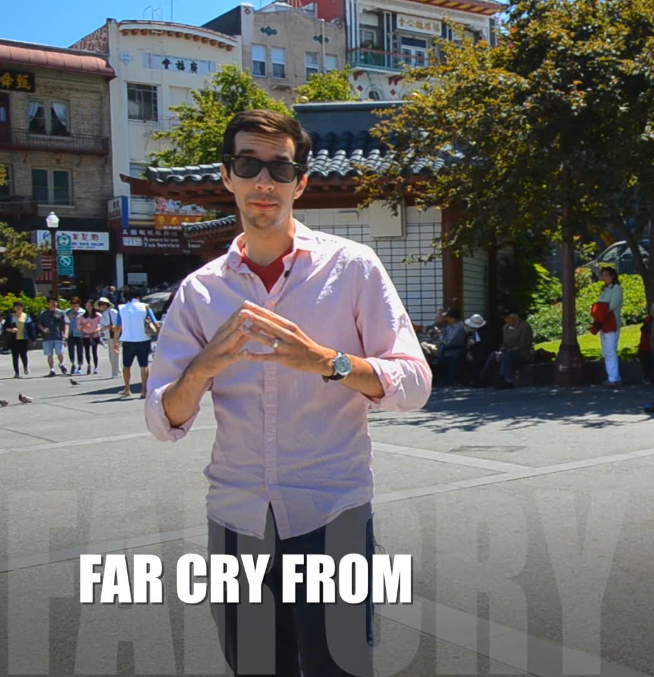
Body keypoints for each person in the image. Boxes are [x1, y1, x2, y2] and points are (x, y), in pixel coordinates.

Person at [144, 109, 432, 677]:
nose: (264, 182)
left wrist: (326, 361)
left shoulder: (351, 268)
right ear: (227, 176)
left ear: (300, 182)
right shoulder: (201, 291)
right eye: (248, 165)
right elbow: (162, 417)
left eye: (280, 168)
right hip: (238, 518)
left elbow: (415, 383)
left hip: (332, 511)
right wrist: (203, 367)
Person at [115, 291, 160, 398]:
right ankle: (143, 390)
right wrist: (160, 334)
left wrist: (116, 341)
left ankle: (127, 389)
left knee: (126, 366)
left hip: (127, 340)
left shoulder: (121, 308)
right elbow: (155, 322)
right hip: (143, 339)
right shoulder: (145, 307)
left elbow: (118, 326)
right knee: (143, 366)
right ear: (139, 297)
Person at [478, 311, 534, 389]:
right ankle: (483, 379)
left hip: (522, 353)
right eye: (505, 318)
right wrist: (501, 351)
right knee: (494, 354)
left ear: (516, 318)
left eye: (508, 318)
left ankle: (505, 379)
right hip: (508, 352)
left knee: (506, 355)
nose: (506, 320)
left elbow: (524, 344)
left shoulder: (525, 326)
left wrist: (506, 352)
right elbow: (504, 343)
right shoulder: (505, 327)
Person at [596, 267, 624, 387]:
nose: (604, 278)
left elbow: (613, 305)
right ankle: (612, 376)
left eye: (606, 275)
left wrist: (601, 311)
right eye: (603, 275)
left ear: (612, 276)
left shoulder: (616, 288)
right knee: (606, 351)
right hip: (603, 323)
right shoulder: (605, 289)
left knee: (610, 350)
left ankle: (614, 378)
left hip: (611, 322)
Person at [436, 308, 471, 384]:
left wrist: (440, 335)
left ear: (453, 318)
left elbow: (449, 342)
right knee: (425, 348)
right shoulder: (450, 326)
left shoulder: (459, 328)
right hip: (444, 347)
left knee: (427, 351)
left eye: (448, 317)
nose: (447, 319)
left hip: (453, 349)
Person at [37, 297, 68, 377]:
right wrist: (43, 330)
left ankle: (61, 364)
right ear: (48, 303)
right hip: (47, 337)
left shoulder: (61, 313)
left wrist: (65, 335)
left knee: (59, 352)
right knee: (49, 354)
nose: (53, 303)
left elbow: (66, 324)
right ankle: (52, 369)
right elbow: (39, 324)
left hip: (58, 336)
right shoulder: (44, 313)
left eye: (55, 302)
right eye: (51, 302)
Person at [4, 302, 34, 378]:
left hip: (24, 338)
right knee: (15, 356)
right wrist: (11, 330)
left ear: (22, 308)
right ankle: (16, 372)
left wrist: (33, 338)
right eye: (16, 306)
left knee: (23, 354)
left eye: (20, 306)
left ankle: (25, 367)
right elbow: (5, 328)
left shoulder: (26, 316)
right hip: (13, 339)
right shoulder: (11, 317)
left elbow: (31, 327)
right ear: (14, 308)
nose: (18, 308)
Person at [96, 298, 120, 379]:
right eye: (100, 304)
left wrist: (107, 327)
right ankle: (117, 371)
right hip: (109, 335)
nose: (102, 306)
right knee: (112, 355)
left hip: (114, 335)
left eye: (104, 304)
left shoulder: (112, 311)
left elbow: (116, 323)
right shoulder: (103, 314)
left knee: (114, 355)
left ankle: (115, 373)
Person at [78, 300, 102, 375]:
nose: (88, 307)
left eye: (90, 305)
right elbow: (78, 326)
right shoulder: (82, 316)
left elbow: (102, 325)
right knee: (87, 351)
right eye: (87, 306)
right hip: (86, 335)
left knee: (94, 351)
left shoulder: (97, 315)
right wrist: (84, 326)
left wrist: (97, 330)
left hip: (94, 335)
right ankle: (89, 365)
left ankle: (96, 367)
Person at [66, 297, 87, 376]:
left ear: (79, 304)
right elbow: (65, 322)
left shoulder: (83, 312)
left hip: (79, 333)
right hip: (70, 333)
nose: (74, 305)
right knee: (71, 349)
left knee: (80, 350)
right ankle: (72, 364)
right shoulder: (68, 312)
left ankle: (80, 366)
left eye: (76, 303)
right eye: (72, 303)